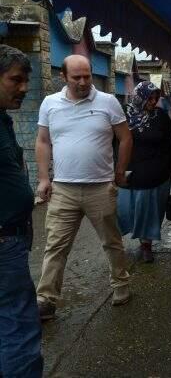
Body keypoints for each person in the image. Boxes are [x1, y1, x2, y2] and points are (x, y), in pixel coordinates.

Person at [35, 54, 133, 320]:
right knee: (55, 246)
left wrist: (120, 171)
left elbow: (125, 137)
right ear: (63, 77)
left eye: (87, 76)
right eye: (76, 77)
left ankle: (121, 284)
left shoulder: (108, 102)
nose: (83, 82)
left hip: (101, 187)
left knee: (111, 242)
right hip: (63, 189)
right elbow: (43, 141)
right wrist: (44, 179)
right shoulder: (50, 103)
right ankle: (46, 299)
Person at [0, 44, 43, 377]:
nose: (24, 88)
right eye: (16, 80)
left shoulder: (3, 120)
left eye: (26, 80)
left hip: (11, 239)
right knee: (19, 331)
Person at [117, 81, 171, 262]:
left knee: (150, 212)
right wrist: (115, 166)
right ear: (139, 96)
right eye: (149, 98)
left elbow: (170, 142)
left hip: (156, 174)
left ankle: (146, 245)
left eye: (155, 98)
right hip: (129, 172)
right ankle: (116, 245)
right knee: (124, 211)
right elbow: (113, 141)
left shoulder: (161, 116)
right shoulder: (123, 115)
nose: (153, 102)